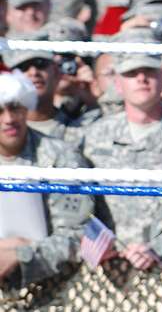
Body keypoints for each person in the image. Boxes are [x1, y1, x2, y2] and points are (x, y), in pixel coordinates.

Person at [81, 53, 162, 275]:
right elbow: (84, 206)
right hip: (111, 268)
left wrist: (159, 248)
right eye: (131, 73)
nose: (141, 79)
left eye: (149, 72)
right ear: (118, 85)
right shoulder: (96, 134)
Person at [0, 71, 93, 288]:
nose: (9, 119)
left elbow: (79, 234)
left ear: (26, 108)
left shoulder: (61, 156)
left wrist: (22, 254)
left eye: (15, 107)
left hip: (53, 289)